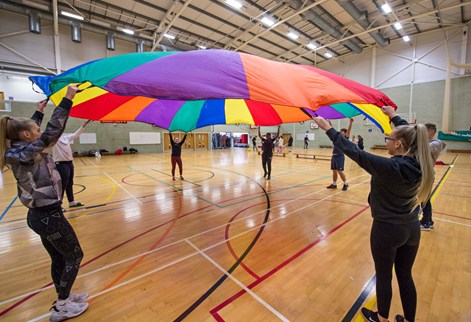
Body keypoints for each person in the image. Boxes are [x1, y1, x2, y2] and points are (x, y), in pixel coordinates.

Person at [314, 106, 434, 322]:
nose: (386, 140)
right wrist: (392, 117)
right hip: (411, 228)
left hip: (387, 230)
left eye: (388, 137)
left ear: (397, 144)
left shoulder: (390, 168)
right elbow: (410, 135)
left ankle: (381, 318)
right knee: (405, 276)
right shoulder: (420, 162)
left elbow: (357, 154)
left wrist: (329, 130)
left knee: (385, 275)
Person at [1, 86, 89, 321]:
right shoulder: (25, 153)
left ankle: (65, 296)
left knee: (60, 257)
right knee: (74, 256)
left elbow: (31, 132)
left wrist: (38, 113)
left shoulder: (18, 149)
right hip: (48, 216)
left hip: (41, 215)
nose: (39, 131)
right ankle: (61, 307)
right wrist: (67, 99)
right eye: (36, 129)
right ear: (27, 136)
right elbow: (51, 133)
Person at [53, 120, 91, 210]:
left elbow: (76, 134)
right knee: (62, 185)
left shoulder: (66, 138)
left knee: (70, 183)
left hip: (69, 163)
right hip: (61, 165)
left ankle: (71, 202)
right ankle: (59, 205)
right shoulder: (53, 139)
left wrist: (84, 125)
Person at [420, 123, 446, 231]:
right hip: (423, 174)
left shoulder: (436, 143)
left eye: (425, 131)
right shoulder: (426, 143)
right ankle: (428, 220)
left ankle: (426, 222)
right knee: (425, 199)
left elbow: (423, 149)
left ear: (432, 132)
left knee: (424, 199)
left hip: (427, 175)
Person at [326, 118, 353, 191]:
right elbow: (331, 129)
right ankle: (334, 184)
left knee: (339, 171)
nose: (340, 132)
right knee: (334, 171)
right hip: (334, 155)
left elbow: (349, 130)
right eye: (340, 131)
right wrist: (329, 121)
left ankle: (345, 184)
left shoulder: (345, 138)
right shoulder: (337, 137)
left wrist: (351, 122)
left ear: (345, 133)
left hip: (340, 156)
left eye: (342, 131)